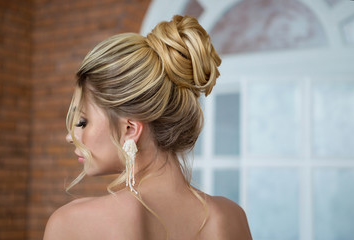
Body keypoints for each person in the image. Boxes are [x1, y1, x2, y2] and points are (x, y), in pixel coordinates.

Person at [43, 15, 252, 240]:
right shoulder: (231, 217)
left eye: (83, 122)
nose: (70, 136)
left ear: (130, 129)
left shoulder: (73, 224)